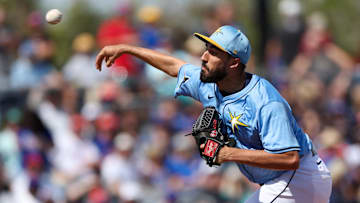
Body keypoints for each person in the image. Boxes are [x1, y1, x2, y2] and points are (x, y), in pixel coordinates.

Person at [95, 25, 332, 203]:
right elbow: (174, 66)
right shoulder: (209, 82)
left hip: (300, 177)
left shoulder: (265, 101)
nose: (203, 57)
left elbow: (289, 158)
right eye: (206, 49)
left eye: (214, 52)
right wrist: (127, 49)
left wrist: (228, 153)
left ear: (233, 63)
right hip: (277, 180)